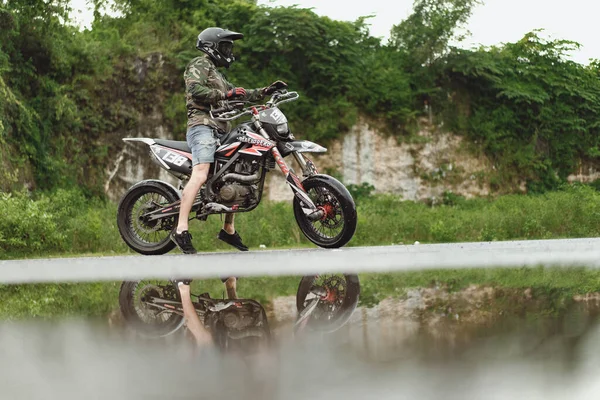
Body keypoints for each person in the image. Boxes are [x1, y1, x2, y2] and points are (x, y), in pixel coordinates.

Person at [170, 27, 286, 258]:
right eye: (225, 46)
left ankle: (228, 229)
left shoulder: (218, 76)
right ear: (212, 47)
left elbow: (238, 93)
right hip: (202, 127)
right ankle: (181, 228)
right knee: (201, 173)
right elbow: (195, 89)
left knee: (236, 170)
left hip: (222, 128)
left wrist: (265, 91)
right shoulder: (199, 64)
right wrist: (225, 96)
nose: (229, 51)